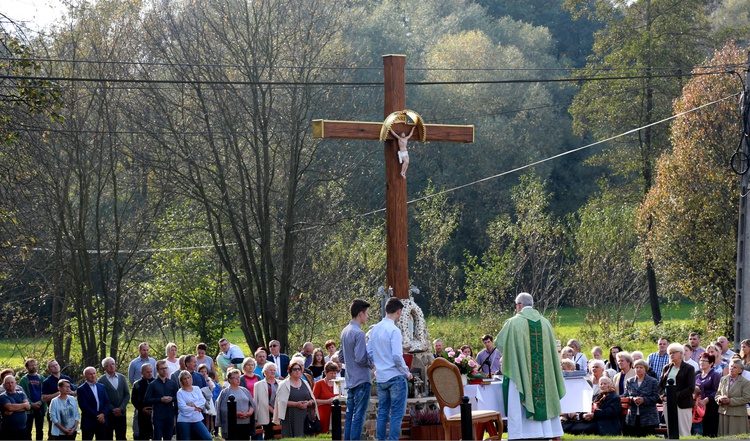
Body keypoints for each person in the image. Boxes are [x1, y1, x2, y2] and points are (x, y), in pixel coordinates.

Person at [495, 292, 565, 440]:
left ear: (519, 306)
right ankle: (546, 432)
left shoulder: (513, 323)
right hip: (544, 376)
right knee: (543, 395)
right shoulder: (545, 323)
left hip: (522, 374)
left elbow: (500, 344)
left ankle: (523, 434)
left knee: (520, 395)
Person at [367, 297, 413, 441]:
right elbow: (397, 356)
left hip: (381, 377)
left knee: (382, 413)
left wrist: (377, 365)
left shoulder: (374, 329)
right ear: (398, 312)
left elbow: (368, 352)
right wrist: (407, 373)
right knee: (397, 414)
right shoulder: (394, 330)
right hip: (395, 376)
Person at [339, 298, 373, 441]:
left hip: (350, 379)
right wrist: (371, 363)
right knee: (358, 417)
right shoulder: (359, 333)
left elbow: (341, 357)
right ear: (360, 314)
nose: (367, 316)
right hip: (361, 379)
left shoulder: (345, 331)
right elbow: (360, 358)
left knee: (349, 416)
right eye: (366, 313)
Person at [273, 357, 318, 438]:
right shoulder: (284, 384)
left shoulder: (305, 382)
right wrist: (296, 404)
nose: (297, 371)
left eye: (299, 369)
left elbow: (312, 399)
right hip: (290, 418)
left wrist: (309, 403)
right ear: (290, 371)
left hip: (305, 418)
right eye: (294, 369)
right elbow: (281, 402)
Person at [658, 343, 695, 437]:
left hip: (683, 404)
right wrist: (663, 396)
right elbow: (660, 386)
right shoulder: (666, 368)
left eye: (674, 352)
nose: (671, 355)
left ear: (681, 354)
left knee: (684, 432)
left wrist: (673, 396)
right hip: (668, 404)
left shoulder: (689, 368)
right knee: (671, 431)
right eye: (670, 353)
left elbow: (690, 388)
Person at [215, 368, 255, 440]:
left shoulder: (244, 390)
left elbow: (251, 403)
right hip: (232, 424)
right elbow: (221, 408)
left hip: (246, 422)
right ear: (229, 379)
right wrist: (235, 414)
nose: (238, 379)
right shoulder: (225, 392)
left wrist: (249, 413)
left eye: (238, 377)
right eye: (235, 378)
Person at [622, 359, 660, 437]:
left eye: (641, 367)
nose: (638, 369)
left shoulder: (653, 381)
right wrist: (633, 399)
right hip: (632, 416)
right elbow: (625, 396)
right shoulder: (629, 381)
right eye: (636, 367)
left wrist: (644, 400)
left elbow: (656, 397)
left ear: (645, 369)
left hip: (649, 417)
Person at [145, 360, 179, 441]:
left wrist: (172, 399)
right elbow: (147, 399)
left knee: (168, 437)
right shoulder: (152, 384)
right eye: (162, 369)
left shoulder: (172, 383)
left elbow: (178, 397)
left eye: (166, 368)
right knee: (157, 437)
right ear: (157, 370)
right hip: (158, 416)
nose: (164, 370)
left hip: (170, 415)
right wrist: (160, 400)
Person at [128, 342, 156, 439]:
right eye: (144, 350)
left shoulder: (153, 362)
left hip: (154, 410)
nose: (146, 352)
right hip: (141, 409)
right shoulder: (134, 363)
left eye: (147, 350)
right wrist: (141, 408)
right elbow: (134, 399)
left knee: (154, 433)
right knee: (141, 432)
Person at [97, 357, 130, 440]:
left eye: (113, 364)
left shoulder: (122, 377)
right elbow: (102, 398)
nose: (111, 366)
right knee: (108, 436)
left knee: (121, 436)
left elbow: (127, 394)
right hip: (109, 414)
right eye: (108, 365)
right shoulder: (101, 380)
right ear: (104, 368)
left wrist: (121, 408)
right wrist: (113, 409)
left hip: (121, 413)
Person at [715, 359, 750, 436]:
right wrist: (719, 399)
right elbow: (717, 394)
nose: (731, 369)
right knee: (723, 436)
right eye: (731, 366)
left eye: (735, 367)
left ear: (740, 370)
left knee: (736, 436)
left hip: (737, 415)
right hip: (723, 413)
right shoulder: (723, 379)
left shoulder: (746, 383)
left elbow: (746, 398)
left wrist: (730, 401)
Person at [176, 370, 213, 440]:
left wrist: (192, 404)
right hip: (184, 420)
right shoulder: (180, 392)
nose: (187, 380)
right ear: (181, 381)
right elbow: (183, 408)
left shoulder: (197, 389)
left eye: (188, 378)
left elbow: (202, 401)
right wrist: (196, 408)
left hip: (197, 419)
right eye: (185, 379)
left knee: (208, 438)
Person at [78, 366, 109, 440]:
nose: (93, 376)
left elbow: (107, 402)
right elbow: (84, 406)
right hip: (89, 421)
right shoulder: (81, 389)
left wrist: (103, 414)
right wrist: (97, 416)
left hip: (102, 421)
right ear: (85, 376)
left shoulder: (101, 386)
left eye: (94, 373)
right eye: (90, 374)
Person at [695, 352, 721, 437]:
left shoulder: (715, 375)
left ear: (711, 363)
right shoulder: (697, 376)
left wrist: (707, 399)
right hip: (699, 407)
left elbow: (717, 390)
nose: (701, 362)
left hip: (711, 407)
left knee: (710, 432)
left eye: (704, 361)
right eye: (701, 360)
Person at [19, 358, 45, 440]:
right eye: (31, 365)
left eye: (34, 365)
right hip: (28, 409)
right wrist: (31, 404)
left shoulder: (41, 378)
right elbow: (22, 394)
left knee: (39, 430)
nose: (33, 366)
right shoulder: (23, 380)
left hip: (40, 407)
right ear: (26, 368)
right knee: (27, 429)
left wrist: (40, 402)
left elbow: (44, 392)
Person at [254, 363, 279, 440]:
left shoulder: (281, 383)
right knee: (268, 434)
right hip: (265, 412)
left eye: (274, 370)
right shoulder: (258, 384)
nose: (273, 372)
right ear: (265, 372)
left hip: (279, 411)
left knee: (278, 434)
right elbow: (257, 400)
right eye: (270, 370)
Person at [313, 362, 339, 434]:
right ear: (326, 373)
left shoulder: (338, 383)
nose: (333, 375)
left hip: (335, 414)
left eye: (335, 373)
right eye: (331, 373)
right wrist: (327, 401)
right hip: (322, 414)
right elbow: (313, 401)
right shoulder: (319, 384)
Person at [0, 375, 30, 440]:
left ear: (15, 383)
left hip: (23, 430)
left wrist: (14, 409)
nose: (10, 384)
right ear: (4, 385)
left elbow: (28, 407)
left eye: (12, 382)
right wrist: (23, 406)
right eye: (8, 383)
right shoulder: (2, 396)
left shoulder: (21, 393)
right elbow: (10, 408)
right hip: (8, 432)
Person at [131, 363, 154, 441]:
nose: (150, 373)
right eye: (147, 372)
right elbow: (133, 399)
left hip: (155, 413)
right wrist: (141, 409)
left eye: (151, 371)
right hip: (142, 413)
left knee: (155, 435)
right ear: (142, 373)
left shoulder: (156, 382)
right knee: (144, 435)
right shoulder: (137, 384)